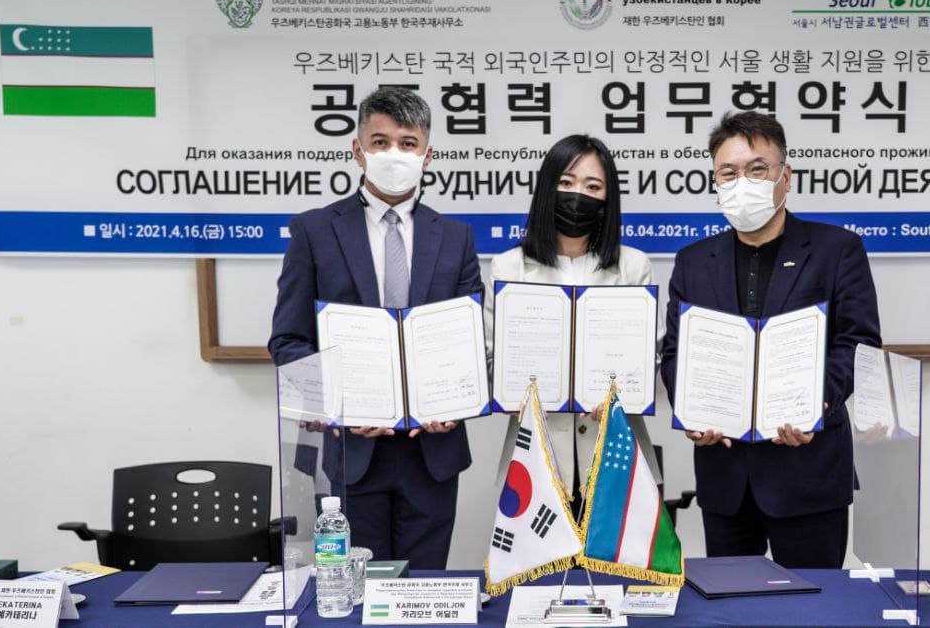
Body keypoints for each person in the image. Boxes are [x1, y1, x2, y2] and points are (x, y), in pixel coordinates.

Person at [268, 87, 482, 569]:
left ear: (427, 154)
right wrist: (337, 405)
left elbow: (469, 344)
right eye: (380, 142)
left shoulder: (456, 237)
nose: (394, 154)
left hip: (432, 451)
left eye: (408, 143)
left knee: (422, 592)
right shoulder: (314, 231)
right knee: (355, 591)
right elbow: (288, 340)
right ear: (357, 150)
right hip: (349, 449)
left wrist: (454, 402)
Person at [660, 111, 881, 568]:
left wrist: (816, 404)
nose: (743, 182)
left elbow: (858, 344)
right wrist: (693, 412)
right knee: (730, 600)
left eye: (757, 169)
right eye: (729, 173)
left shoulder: (837, 250)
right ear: (715, 182)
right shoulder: (693, 262)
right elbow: (676, 352)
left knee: (813, 601)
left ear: (786, 177)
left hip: (809, 472)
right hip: (725, 475)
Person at [486, 134, 662, 514]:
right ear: (547, 188)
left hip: (615, 456)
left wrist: (624, 391)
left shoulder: (633, 266)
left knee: (616, 554)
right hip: (536, 459)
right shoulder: (509, 267)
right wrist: (509, 390)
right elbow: (491, 357)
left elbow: (649, 359)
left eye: (593, 186)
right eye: (566, 182)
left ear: (607, 199)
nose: (578, 195)